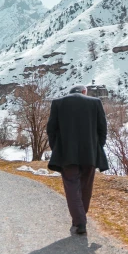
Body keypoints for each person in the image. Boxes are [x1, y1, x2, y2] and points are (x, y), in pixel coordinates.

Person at [46, 85, 109, 235]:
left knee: (72, 187)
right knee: (86, 187)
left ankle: (80, 221)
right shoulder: (95, 102)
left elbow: (51, 130)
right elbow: (102, 129)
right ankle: (80, 219)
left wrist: (57, 149)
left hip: (67, 154)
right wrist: (97, 147)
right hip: (90, 153)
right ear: (84, 92)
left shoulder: (58, 103)